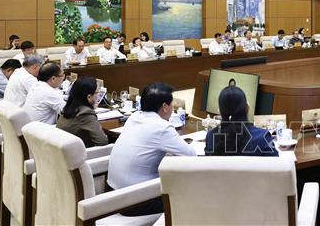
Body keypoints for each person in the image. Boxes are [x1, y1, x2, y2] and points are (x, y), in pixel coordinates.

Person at [107, 83, 195, 216]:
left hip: (111, 193)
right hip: (134, 203)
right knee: (191, 192)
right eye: (172, 104)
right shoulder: (162, 127)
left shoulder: (134, 117)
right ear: (164, 107)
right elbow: (191, 155)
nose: (173, 108)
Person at [205, 86, 277, 157]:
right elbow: (277, 163)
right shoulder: (262, 137)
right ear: (247, 108)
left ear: (220, 111)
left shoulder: (211, 137)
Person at [56, 77, 108, 147]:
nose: (99, 95)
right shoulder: (86, 113)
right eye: (97, 92)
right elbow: (102, 142)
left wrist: (91, 107)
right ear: (89, 97)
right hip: (81, 152)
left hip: (63, 149)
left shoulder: (68, 107)